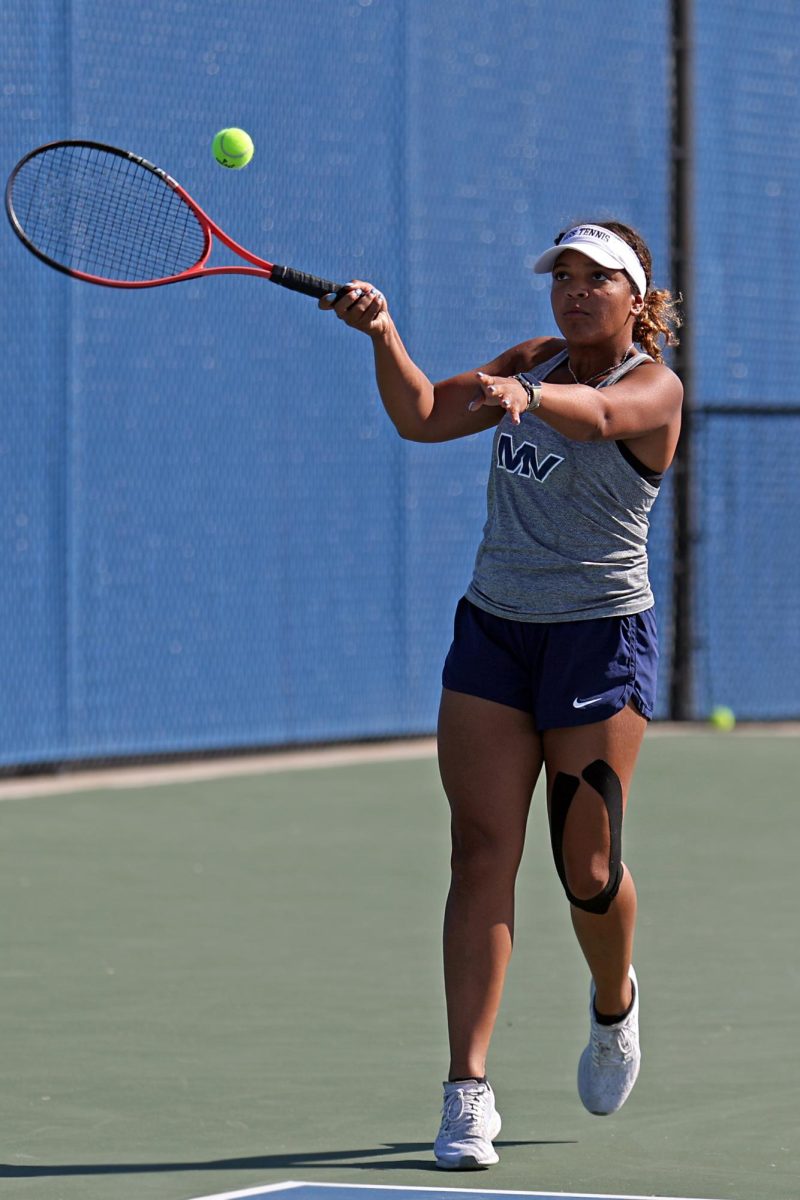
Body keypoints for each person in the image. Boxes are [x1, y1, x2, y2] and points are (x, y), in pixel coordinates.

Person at [320, 221, 682, 1170]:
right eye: (560, 277)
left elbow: (598, 421)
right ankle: (467, 1091)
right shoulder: (533, 358)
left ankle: (614, 1008)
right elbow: (424, 418)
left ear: (636, 297)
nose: (572, 293)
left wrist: (528, 392)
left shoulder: (653, 387)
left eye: (595, 279)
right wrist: (384, 335)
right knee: (481, 850)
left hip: (598, 643)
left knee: (587, 871)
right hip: (494, 631)